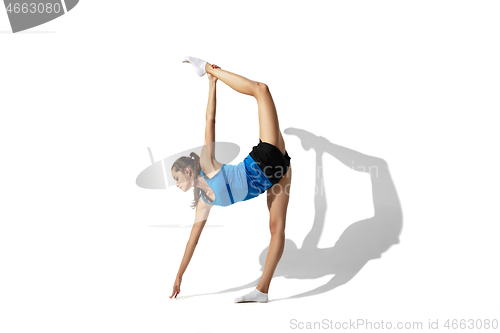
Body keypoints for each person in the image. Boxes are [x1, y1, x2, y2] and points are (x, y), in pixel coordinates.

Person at [169, 56, 292, 303]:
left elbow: (210, 121)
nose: (176, 183)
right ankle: (262, 291)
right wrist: (179, 276)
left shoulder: (207, 164)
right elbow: (192, 241)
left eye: (176, 177)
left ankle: (205, 67)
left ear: (189, 171)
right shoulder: (203, 202)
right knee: (276, 229)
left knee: (261, 89)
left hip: (264, 159)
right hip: (279, 172)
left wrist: (211, 83)